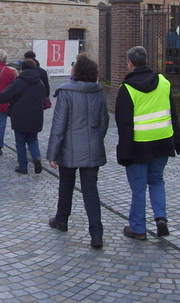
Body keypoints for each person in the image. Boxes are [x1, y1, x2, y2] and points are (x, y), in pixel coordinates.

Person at [115, 46, 180, 240]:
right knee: (156, 180)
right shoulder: (163, 82)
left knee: (138, 188)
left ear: (130, 63)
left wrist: (124, 153)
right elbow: (173, 113)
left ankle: (138, 228)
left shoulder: (127, 88)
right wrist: (178, 141)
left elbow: (124, 125)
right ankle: (160, 218)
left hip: (139, 145)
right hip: (163, 141)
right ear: (146, 60)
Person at [46, 53, 109, 249]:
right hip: (92, 147)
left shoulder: (66, 92)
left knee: (66, 185)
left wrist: (52, 153)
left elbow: (58, 126)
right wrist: (96, 140)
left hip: (69, 148)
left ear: (77, 71)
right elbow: (104, 122)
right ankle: (96, 233)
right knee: (91, 190)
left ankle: (62, 219)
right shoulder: (98, 91)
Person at [0, 59, 45, 174]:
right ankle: (36, 158)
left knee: (20, 142)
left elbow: (3, 97)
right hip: (36, 115)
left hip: (20, 115)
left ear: (22, 70)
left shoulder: (18, 82)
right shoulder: (40, 83)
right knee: (33, 139)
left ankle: (23, 166)